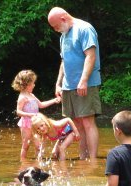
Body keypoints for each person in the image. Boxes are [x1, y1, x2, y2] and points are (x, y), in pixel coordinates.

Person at [48, 7, 102, 160]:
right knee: (76, 123)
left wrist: (83, 81)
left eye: (55, 26)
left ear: (63, 18)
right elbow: (64, 61)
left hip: (86, 84)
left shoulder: (85, 29)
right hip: (68, 85)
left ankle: (92, 160)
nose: (55, 29)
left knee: (88, 122)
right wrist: (58, 84)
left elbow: (90, 56)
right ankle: (83, 158)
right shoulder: (63, 35)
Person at [12, 70, 60, 160]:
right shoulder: (22, 97)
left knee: (38, 144)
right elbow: (18, 112)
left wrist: (54, 100)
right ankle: (23, 162)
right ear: (26, 84)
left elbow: (41, 105)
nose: (34, 85)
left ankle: (38, 161)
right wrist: (30, 115)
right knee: (26, 144)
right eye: (32, 83)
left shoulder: (32, 95)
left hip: (36, 123)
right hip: (26, 124)